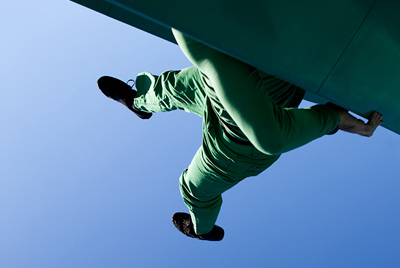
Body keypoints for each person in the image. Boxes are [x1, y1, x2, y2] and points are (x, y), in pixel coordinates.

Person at [97, 29, 383, 241]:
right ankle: (138, 102)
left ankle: (202, 229)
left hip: (236, 128)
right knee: (174, 89)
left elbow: (290, 130)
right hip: (232, 112)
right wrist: (353, 125)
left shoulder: (210, 59)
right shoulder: (212, 63)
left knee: (195, 187)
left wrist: (347, 123)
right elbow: (288, 131)